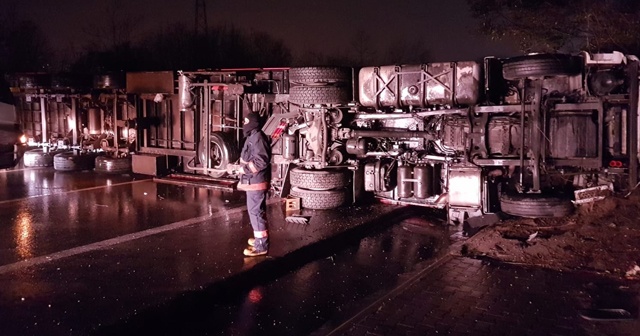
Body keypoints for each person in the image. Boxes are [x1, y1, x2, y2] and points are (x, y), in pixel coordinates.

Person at [226, 112, 271, 257]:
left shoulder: (257, 138)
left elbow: (261, 161)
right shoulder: (253, 137)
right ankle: (260, 239)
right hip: (253, 181)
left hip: (255, 182)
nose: (244, 124)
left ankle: (261, 246)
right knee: (256, 213)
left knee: (255, 213)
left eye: (246, 121)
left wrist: (241, 169)